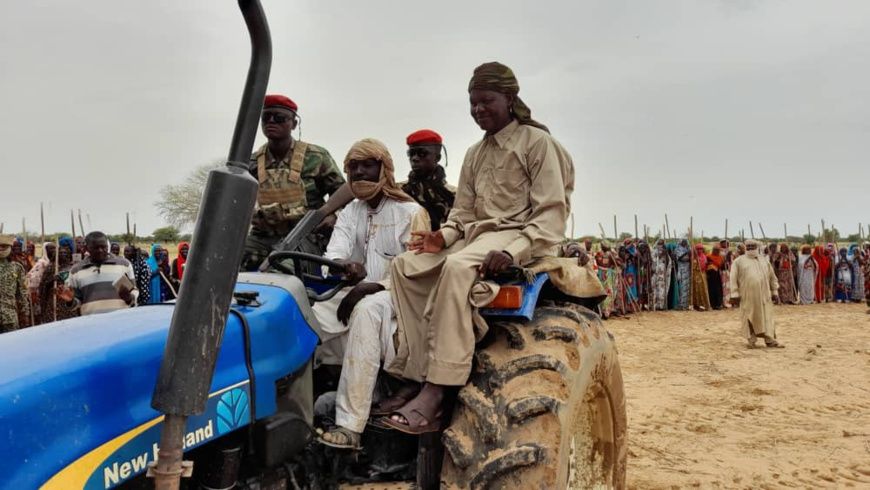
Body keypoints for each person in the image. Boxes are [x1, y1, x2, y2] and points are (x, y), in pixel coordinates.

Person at [382, 62, 573, 433]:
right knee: (406, 266)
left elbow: (550, 216)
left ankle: (439, 389)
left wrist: (514, 252)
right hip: (476, 238)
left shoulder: (537, 144)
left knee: (455, 269)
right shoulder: (474, 153)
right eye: (473, 103)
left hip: (519, 235)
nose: (478, 110)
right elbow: (463, 214)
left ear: (510, 99)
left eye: (487, 101)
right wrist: (443, 237)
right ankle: (417, 370)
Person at [314, 138, 429, 449]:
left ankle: (350, 426)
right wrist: (343, 267)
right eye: (353, 167)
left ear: (385, 170)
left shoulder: (410, 211)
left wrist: (373, 286)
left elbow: (418, 271)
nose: (360, 172)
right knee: (306, 314)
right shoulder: (350, 212)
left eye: (368, 165)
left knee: (367, 310)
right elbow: (333, 256)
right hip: (353, 290)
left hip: (400, 296)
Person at [242, 94, 346, 271]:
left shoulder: (315, 156)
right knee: (221, 261)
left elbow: (344, 192)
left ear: (294, 124)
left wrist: (333, 215)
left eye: (280, 118)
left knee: (282, 272)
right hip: (263, 237)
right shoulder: (251, 162)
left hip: (306, 236)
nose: (271, 121)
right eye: (266, 117)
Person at [65, 231, 138, 316]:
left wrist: (129, 298)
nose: (100, 250)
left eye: (104, 247)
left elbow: (134, 291)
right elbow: (77, 303)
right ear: (86, 248)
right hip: (92, 323)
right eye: (96, 248)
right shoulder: (76, 270)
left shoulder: (124, 264)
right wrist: (70, 301)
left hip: (120, 321)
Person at [729, 239, 783, 348]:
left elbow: (772, 278)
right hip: (748, 296)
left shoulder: (764, 260)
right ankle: (751, 341)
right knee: (749, 316)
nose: (750, 248)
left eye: (752, 246)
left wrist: (775, 292)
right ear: (745, 247)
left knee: (767, 317)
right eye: (748, 247)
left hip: (765, 296)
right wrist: (734, 294)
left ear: (757, 247)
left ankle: (770, 340)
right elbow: (733, 278)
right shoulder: (738, 261)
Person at [401, 129, 456, 231]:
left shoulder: (454, 195)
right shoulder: (398, 193)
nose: (415, 158)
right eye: (411, 153)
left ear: (437, 158)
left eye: (422, 153)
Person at [39, 238, 79, 322]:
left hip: (68, 299)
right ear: (56, 255)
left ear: (68, 254)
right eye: (60, 253)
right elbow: (43, 286)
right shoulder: (51, 267)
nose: (63, 255)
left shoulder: (73, 267)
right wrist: (52, 279)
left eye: (65, 253)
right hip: (54, 301)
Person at [0, 235, 32, 332]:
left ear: (10, 248)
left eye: (4, 246)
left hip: (9, 316)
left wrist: (25, 313)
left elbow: (22, 292)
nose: (1, 249)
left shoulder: (17, 268)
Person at [650, 239, 672, 311]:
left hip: (662, 275)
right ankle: (653, 305)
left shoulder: (666, 253)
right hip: (655, 274)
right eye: (659, 244)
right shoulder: (653, 252)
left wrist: (664, 255)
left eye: (661, 244)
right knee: (654, 289)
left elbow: (669, 263)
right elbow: (651, 261)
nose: (660, 246)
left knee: (662, 290)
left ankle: (661, 306)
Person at [691, 243, 711, 311]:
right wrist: (695, 261)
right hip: (696, 275)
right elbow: (693, 267)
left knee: (703, 290)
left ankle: (703, 304)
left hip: (702, 275)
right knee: (696, 290)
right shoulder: (693, 257)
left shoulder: (704, 256)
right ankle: (696, 305)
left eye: (701, 249)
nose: (700, 250)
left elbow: (705, 266)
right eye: (698, 249)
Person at [705, 245, 725, 309]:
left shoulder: (721, 257)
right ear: (713, 250)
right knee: (711, 290)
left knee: (718, 290)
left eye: (717, 250)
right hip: (710, 276)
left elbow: (722, 267)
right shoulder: (708, 256)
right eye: (715, 250)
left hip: (717, 276)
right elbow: (706, 265)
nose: (716, 251)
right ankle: (712, 304)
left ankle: (718, 304)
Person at [674, 239, 691, 310]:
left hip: (687, 269)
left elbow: (689, 259)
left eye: (685, 242)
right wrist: (686, 253)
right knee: (681, 287)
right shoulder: (678, 249)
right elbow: (680, 258)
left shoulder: (687, 248)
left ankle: (686, 305)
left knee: (687, 287)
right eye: (683, 242)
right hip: (681, 269)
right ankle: (680, 304)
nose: (685, 243)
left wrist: (689, 254)